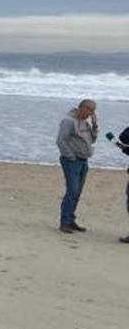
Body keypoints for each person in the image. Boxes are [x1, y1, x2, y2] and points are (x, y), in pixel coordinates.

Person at [57, 99, 98, 234]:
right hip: (71, 161)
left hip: (83, 160)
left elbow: (92, 140)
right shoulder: (69, 121)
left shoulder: (86, 123)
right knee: (72, 191)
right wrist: (70, 156)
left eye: (93, 111)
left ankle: (70, 219)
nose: (91, 113)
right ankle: (64, 222)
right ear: (81, 108)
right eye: (89, 110)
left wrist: (95, 125)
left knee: (77, 192)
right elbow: (61, 141)